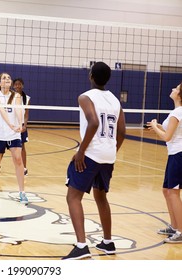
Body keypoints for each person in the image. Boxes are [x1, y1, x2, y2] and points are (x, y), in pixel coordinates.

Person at [62, 62, 126, 260]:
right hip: (108, 155)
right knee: (101, 197)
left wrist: (81, 151)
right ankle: (108, 242)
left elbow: (94, 122)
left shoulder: (85, 97)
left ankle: (81, 246)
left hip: (91, 154)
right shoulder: (115, 100)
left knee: (73, 197)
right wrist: (112, 150)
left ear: (91, 76)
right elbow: (122, 132)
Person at [146, 82, 182, 243]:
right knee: (166, 190)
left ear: (180, 95)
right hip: (174, 153)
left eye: (176, 88)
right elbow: (171, 132)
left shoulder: (178, 113)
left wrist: (155, 126)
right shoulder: (176, 112)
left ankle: (180, 231)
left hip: (179, 155)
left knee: (173, 192)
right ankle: (174, 227)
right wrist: (158, 126)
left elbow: (167, 137)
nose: (173, 89)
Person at [0, 72, 28, 204]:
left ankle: (22, 192)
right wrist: (11, 124)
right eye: (4, 78)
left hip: (13, 134)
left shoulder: (16, 96)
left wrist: (20, 123)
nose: (7, 79)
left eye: (9, 78)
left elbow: (18, 110)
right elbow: (1, 110)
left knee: (18, 160)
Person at [13, 78, 30, 176]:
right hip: (11, 125)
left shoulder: (27, 98)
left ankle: (24, 168)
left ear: (22, 85)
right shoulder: (10, 97)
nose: (17, 86)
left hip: (21, 125)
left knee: (22, 146)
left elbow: (26, 114)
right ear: (13, 86)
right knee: (3, 146)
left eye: (19, 84)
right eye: (16, 84)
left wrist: (25, 126)